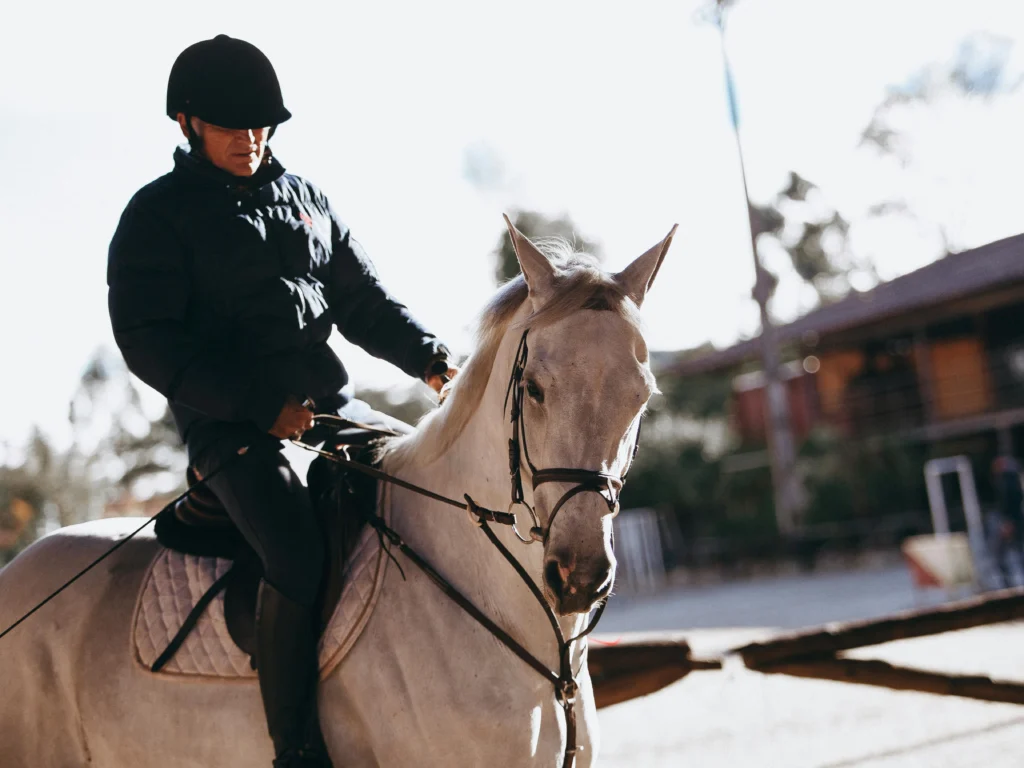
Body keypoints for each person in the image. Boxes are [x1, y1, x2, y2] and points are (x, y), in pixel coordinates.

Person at [106, 34, 457, 768]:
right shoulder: (156, 218)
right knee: (295, 554)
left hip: (332, 411)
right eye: (234, 127)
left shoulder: (307, 199)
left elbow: (362, 302)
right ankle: (295, 745)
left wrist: (429, 358)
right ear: (187, 125)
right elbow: (149, 342)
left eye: (262, 125)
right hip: (230, 428)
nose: (252, 139)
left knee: (430, 488)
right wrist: (259, 405)